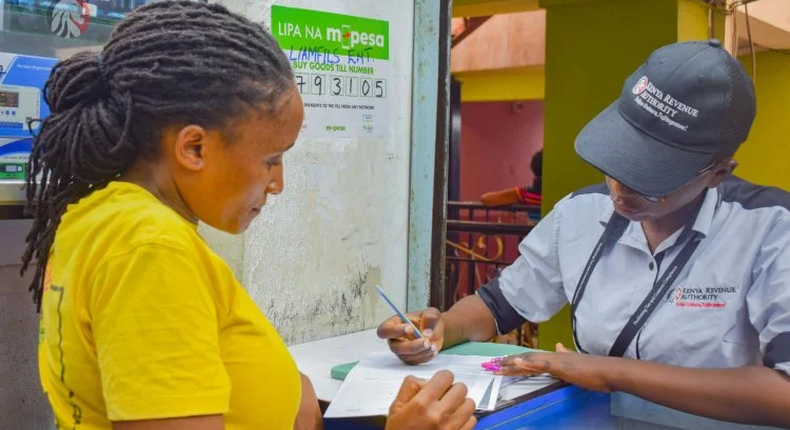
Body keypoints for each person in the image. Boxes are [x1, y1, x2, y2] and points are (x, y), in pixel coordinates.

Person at [21, 2, 477, 430]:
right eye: (271, 159)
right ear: (193, 148)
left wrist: (283, 385)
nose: (277, 183)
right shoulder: (150, 250)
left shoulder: (102, 216)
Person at [379, 39, 790, 428]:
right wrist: (440, 330)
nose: (621, 188)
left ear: (717, 173)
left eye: (650, 176)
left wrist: (609, 372)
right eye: (617, 162)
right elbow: (496, 305)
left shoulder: (770, 228)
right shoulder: (579, 213)